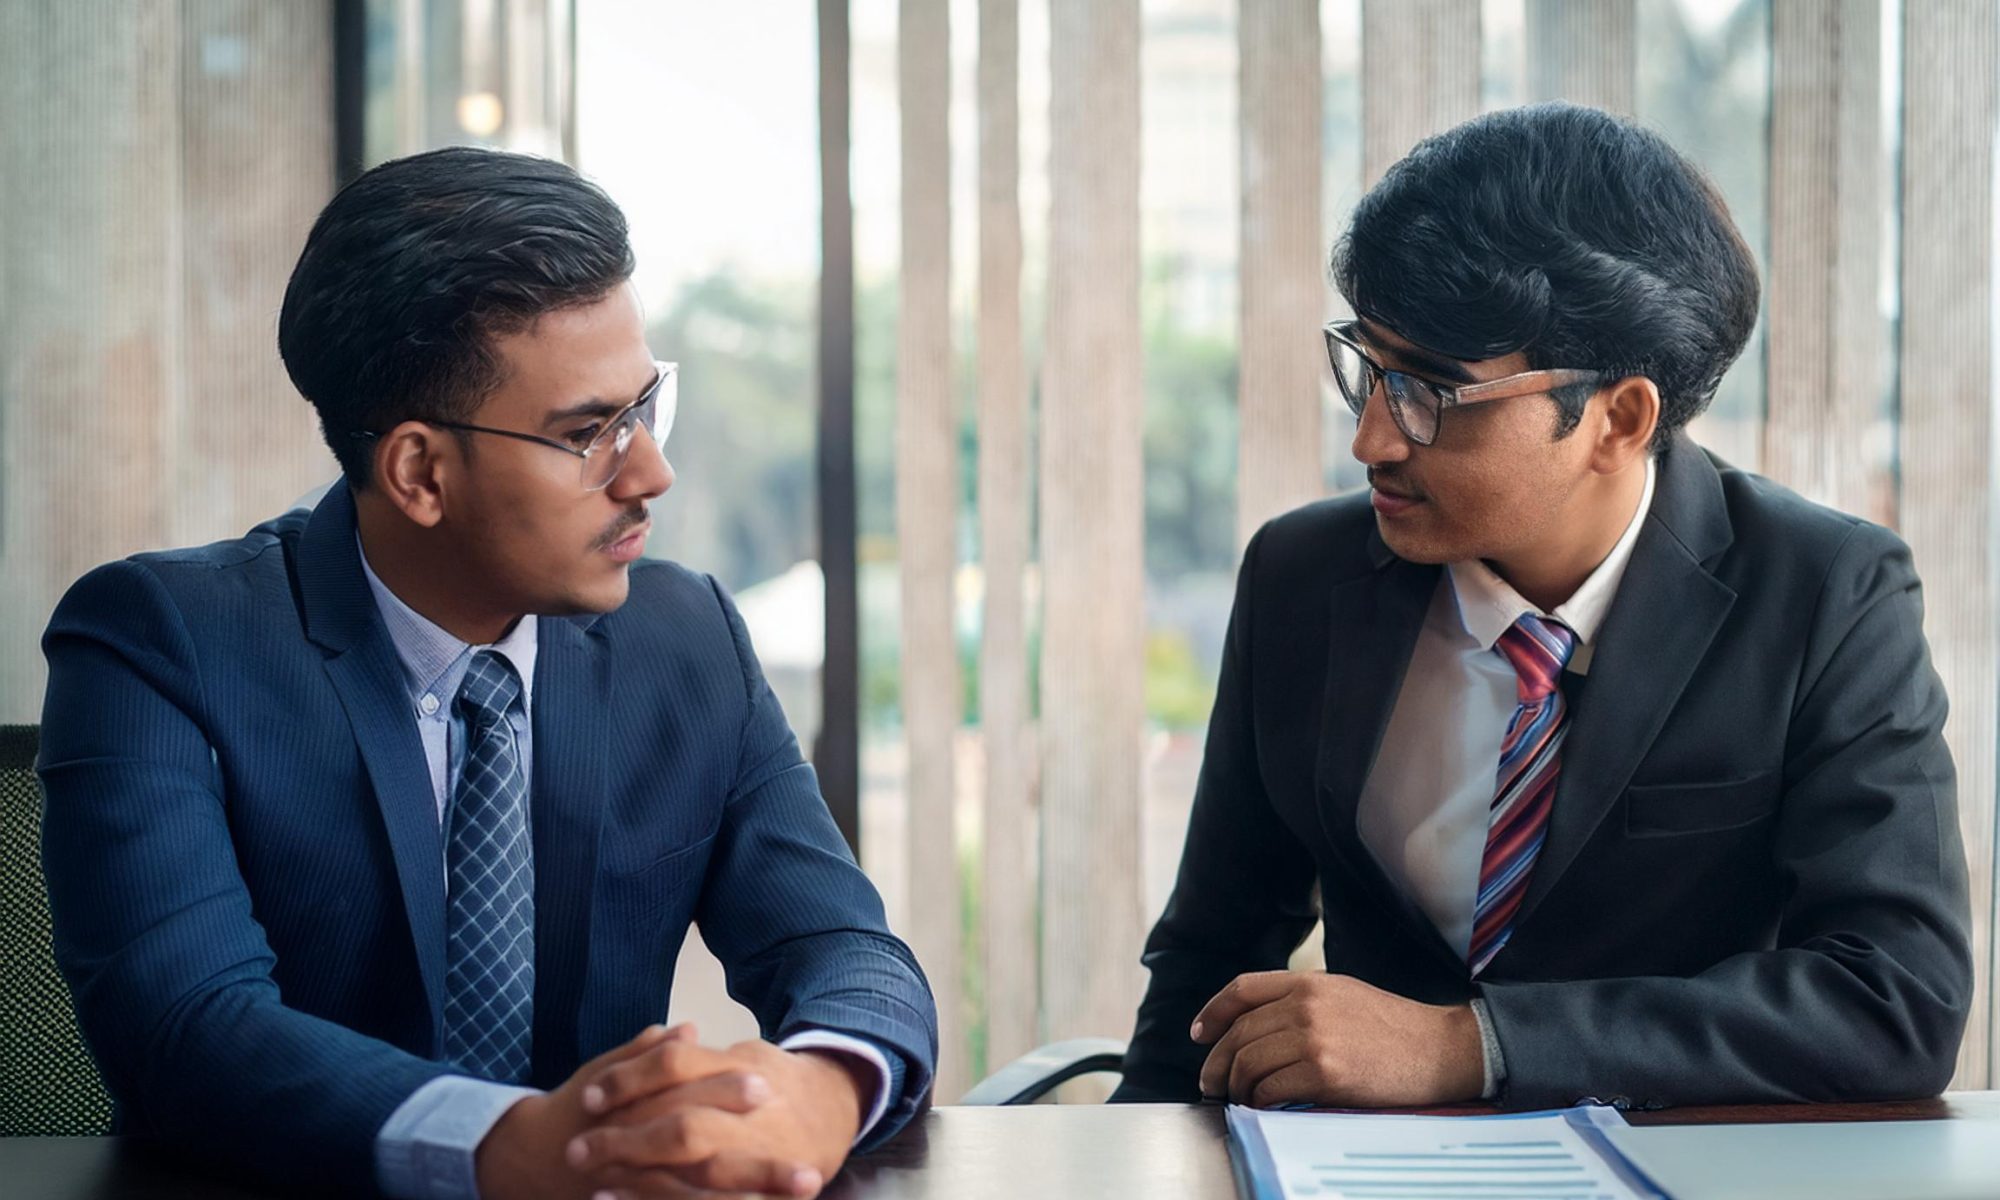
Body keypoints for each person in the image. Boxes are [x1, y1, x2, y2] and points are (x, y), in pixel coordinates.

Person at [39, 146, 935, 1200]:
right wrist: (511, 1144)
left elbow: (843, 949)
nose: (650, 472)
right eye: (591, 432)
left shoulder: (685, 636)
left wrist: (820, 1090)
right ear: (420, 471)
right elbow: (186, 1027)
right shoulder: (159, 642)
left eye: (645, 407)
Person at [1112, 103, 1971, 1112]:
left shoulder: (1824, 595)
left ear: (1617, 418)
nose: (1373, 441)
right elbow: (1209, 957)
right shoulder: (1301, 579)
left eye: (1429, 391)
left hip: (1684, 1163)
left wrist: (1470, 1047)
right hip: (1357, 1173)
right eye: (1366, 369)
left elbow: (1893, 998)